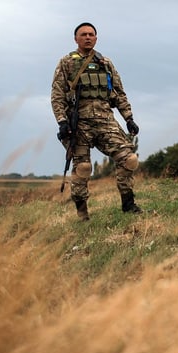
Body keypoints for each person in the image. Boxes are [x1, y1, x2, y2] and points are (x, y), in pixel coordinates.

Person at [51, 22, 142, 220]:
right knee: (82, 168)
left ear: (96, 38)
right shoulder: (66, 62)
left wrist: (129, 118)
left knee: (129, 159)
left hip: (105, 120)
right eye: (83, 34)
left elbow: (118, 93)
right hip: (79, 123)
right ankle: (82, 214)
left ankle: (128, 204)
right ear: (76, 39)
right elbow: (57, 95)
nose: (88, 37)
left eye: (91, 34)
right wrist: (62, 121)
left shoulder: (105, 63)